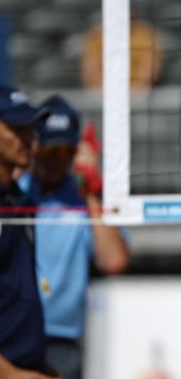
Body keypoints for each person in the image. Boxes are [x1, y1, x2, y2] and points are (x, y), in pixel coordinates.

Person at [16, 95, 130, 379]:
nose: (56, 162)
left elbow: (114, 261)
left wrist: (90, 189)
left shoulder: (86, 199)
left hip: (61, 341)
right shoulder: (14, 191)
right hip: (12, 333)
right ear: (34, 147)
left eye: (64, 152)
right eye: (49, 152)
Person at [0, 85, 59, 378]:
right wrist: (12, 374)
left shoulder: (18, 200)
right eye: (17, 128)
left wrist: (43, 370)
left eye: (30, 128)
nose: (30, 139)